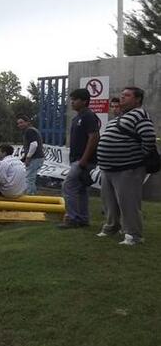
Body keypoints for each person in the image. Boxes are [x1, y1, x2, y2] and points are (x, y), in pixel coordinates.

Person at [97, 87, 157, 245]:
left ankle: (133, 235)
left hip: (128, 168)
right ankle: (112, 227)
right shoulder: (120, 117)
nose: (122, 98)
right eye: (121, 95)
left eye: (127, 96)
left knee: (128, 202)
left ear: (137, 99)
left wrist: (137, 157)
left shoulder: (139, 114)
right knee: (109, 202)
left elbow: (149, 137)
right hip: (109, 169)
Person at [57, 88, 100, 229]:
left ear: (84, 101)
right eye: (71, 99)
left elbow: (93, 137)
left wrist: (84, 160)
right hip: (77, 159)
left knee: (68, 186)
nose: (72, 102)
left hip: (83, 161)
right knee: (81, 189)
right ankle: (83, 219)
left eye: (75, 99)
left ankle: (72, 218)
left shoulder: (88, 115)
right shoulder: (77, 117)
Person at [16, 115, 45, 195]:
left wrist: (28, 157)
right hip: (37, 157)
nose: (19, 125)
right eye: (18, 123)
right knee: (31, 178)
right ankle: (33, 195)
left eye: (21, 122)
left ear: (27, 122)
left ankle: (30, 197)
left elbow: (34, 144)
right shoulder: (32, 130)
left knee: (29, 178)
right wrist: (24, 158)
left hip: (35, 158)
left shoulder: (29, 131)